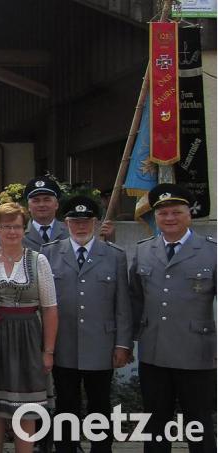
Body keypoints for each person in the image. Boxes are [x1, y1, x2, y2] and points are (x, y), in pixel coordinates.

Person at [40, 196, 132, 453]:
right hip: (63, 343)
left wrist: (123, 344)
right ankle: (65, 449)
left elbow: (122, 304)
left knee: (100, 403)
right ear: (65, 222)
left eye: (86, 221)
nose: (81, 227)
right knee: (65, 403)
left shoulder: (114, 255)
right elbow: (43, 304)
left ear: (95, 222)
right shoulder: (48, 253)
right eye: (75, 221)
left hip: (101, 345)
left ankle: (101, 449)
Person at [129, 184, 216, 453]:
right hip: (154, 352)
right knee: (156, 425)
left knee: (199, 424)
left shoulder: (211, 251)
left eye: (176, 212)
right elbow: (135, 299)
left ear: (189, 214)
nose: (169, 218)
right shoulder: (144, 250)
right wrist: (126, 342)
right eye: (163, 213)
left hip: (196, 354)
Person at [0, 202, 58, 453]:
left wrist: (48, 351)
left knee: (26, 408)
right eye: (6, 226)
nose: (12, 232)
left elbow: (50, 308)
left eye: (17, 227)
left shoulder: (38, 260)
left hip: (28, 338)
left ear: (24, 229)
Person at [22, 176, 69, 251]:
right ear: (29, 207)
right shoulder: (19, 233)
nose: (41, 204)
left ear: (56, 204)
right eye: (36, 201)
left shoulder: (69, 231)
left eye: (47, 200)